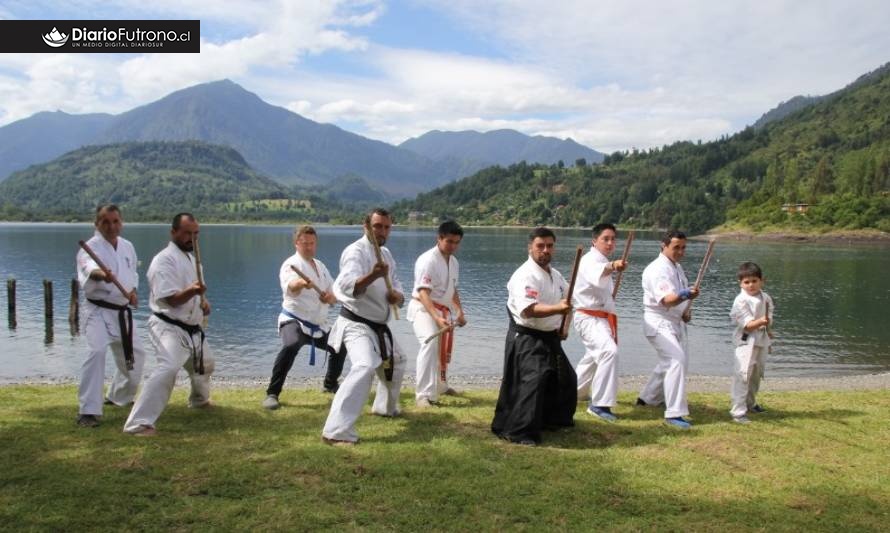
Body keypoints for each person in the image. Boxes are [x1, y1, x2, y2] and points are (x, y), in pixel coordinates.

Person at [123, 213, 214, 436]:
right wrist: (193, 291)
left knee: (206, 364)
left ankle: (199, 400)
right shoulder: (163, 260)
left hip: (191, 328)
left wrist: (202, 302)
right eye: (187, 233)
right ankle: (137, 424)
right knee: (169, 368)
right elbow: (171, 299)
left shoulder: (192, 259)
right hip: (168, 326)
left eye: (196, 234)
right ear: (173, 232)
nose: (192, 239)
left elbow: (193, 293)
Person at [321, 208, 406, 445]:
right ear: (366, 226)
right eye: (377, 226)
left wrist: (397, 297)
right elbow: (350, 287)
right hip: (356, 323)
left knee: (397, 361)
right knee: (365, 365)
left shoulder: (387, 254)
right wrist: (372, 276)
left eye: (387, 227)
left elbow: (397, 284)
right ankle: (336, 430)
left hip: (379, 325)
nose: (382, 231)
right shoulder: (355, 252)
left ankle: (384, 408)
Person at [491, 227, 576, 446]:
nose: (545, 250)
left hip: (550, 337)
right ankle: (518, 431)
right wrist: (558, 309)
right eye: (540, 246)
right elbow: (528, 309)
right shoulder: (525, 275)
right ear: (530, 248)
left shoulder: (555, 275)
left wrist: (564, 325)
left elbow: (569, 301)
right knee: (533, 381)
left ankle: (550, 420)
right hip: (527, 337)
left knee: (565, 378)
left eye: (549, 246)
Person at [75, 204, 145, 427]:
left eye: (116, 221)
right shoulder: (88, 248)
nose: (112, 226)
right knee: (96, 352)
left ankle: (118, 395)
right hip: (97, 310)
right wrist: (101, 275)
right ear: (97, 224)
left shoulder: (127, 247)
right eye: (106, 222)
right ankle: (88, 411)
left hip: (121, 312)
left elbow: (132, 274)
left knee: (137, 357)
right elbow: (88, 270)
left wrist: (132, 293)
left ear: (121, 223)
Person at [262, 226, 339, 410]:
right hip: (293, 319)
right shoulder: (290, 264)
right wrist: (302, 283)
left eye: (312, 243)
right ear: (297, 243)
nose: (309, 247)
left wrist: (330, 297)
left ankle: (330, 384)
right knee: (291, 344)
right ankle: (272, 393)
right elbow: (291, 286)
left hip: (318, 324)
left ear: (316, 244)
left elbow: (334, 290)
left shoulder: (320, 266)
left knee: (339, 345)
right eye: (304, 243)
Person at [637, 230, 700, 429]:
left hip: (674, 321)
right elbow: (667, 299)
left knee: (671, 362)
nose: (680, 252)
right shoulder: (657, 269)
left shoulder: (677, 267)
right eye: (676, 248)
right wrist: (685, 294)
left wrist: (684, 311)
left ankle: (648, 398)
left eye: (683, 248)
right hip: (658, 322)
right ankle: (674, 413)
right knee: (675, 360)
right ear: (663, 245)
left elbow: (677, 302)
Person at [407, 220, 467, 408]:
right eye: (449, 241)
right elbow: (423, 291)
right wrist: (435, 316)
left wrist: (459, 311)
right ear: (439, 238)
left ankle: (441, 386)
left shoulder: (454, 262)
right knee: (429, 342)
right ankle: (423, 395)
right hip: (423, 308)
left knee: (442, 348)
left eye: (457, 242)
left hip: (442, 309)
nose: (453, 246)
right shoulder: (428, 260)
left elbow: (452, 289)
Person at [573, 223, 628, 422]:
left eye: (613, 239)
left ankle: (574, 393)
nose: (610, 242)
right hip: (588, 318)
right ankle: (599, 404)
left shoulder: (601, 260)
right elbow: (600, 271)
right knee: (608, 352)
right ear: (594, 241)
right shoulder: (589, 260)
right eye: (605, 239)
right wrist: (613, 266)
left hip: (601, 318)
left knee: (593, 358)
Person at [729, 261, 774, 424]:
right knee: (743, 374)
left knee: (756, 374)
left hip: (761, 339)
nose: (751, 285)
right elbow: (747, 324)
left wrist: (768, 331)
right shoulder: (741, 300)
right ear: (740, 283)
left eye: (754, 281)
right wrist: (762, 321)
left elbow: (769, 319)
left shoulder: (766, 297)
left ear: (762, 280)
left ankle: (750, 403)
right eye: (746, 282)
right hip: (745, 341)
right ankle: (738, 411)